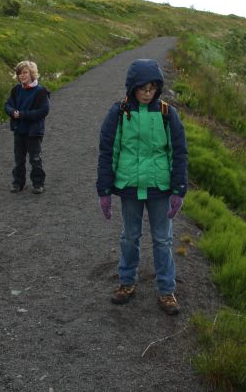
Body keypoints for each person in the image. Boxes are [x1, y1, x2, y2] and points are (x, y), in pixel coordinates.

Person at [96, 59, 188, 315]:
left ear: (158, 88)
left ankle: (166, 290)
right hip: (130, 188)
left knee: (163, 239)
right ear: (132, 87)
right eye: (142, 88)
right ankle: (126, 283)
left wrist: (179, 189)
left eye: (152, 88)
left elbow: (179, 152)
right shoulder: (119, 112)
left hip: (160, 188)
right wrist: (104, 190)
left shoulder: (168, 113)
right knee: (129, 237)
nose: (147, 93)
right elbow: (107, 151)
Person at [5, 60, 50, 194]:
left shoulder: (40, 91)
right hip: (19, 130)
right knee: (19, 159)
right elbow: (7, 105)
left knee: (35, 159)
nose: (22, 76)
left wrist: (22, 114)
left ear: (32, 74)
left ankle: (38, 184)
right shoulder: (16, 90)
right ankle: (18, 183)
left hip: (34, 132)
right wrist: (12, 112)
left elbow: (43, 111)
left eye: (25, 73)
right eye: (19, 73)